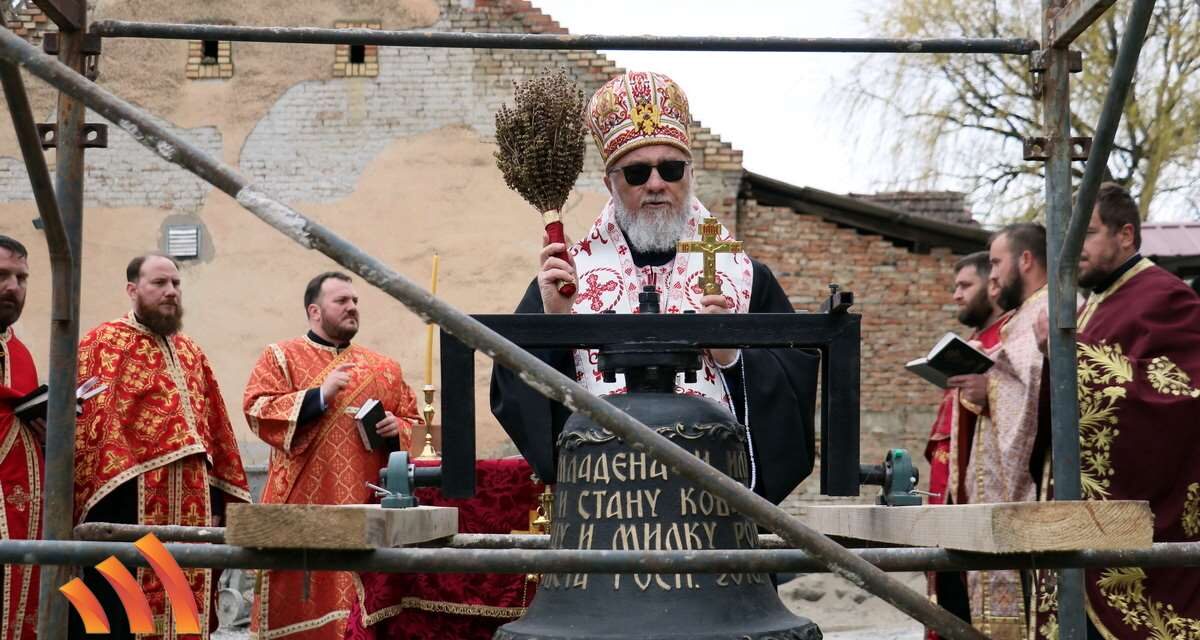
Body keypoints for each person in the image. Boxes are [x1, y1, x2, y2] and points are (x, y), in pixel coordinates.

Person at [490, 70, 820, 505]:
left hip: (713, 508)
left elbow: (796, 388)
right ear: (610, 183)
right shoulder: (568, 276)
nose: (656, 183)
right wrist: (553, 327)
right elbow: (512, 394)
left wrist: (733, 356)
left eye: (670, 167)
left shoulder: (745, 276)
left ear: (689, 174)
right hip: (604, 506)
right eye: (637, 172)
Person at [1030, 183, 1200, 639]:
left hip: (1132, 536)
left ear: (1125, 235)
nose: (1072, 248)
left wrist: (1069, 353)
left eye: (1085, 234)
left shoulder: (1165, 296)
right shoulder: (1092, 305)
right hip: (1077, 525)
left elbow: (1182, 397)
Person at [72, 254, 250, 640]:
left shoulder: (191, 352)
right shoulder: (103, 343)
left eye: (175, 283)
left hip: (191, 504)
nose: (171, 291)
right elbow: (93, 433)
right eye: (159, 283)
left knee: (183, 605)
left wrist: (219, 501)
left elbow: (216, 429)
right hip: (126, 504)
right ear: (132, 289)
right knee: (119, 611)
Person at [244, 271, 420, 640]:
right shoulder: (281, 357)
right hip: (304, 506)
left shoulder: (384, 368)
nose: (352, 307)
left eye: (355, 301)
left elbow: (421, 433)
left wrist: (397, 429)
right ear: (315, 311)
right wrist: (318, 396)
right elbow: (257, 410)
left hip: (366, 506)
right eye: (342, 301)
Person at [943, 223, 1048, 639]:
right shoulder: (1023, 316)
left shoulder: (1048, 310)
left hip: (1027, 499)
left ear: (1025, 260)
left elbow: (1047, 389)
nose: (994, 276)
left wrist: (991, 388)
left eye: (996, 263)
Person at [922, 251, 1006, 638]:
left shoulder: (1007, 339)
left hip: (982, 504)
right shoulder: (973, 343)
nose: (956, 295)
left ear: (992, 286)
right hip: (949, 500)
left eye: (965, 285)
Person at [0, 236, 41, 640]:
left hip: (24, 518)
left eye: (21, 278)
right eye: (2, 276)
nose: (13, 287)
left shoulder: (21, 352)